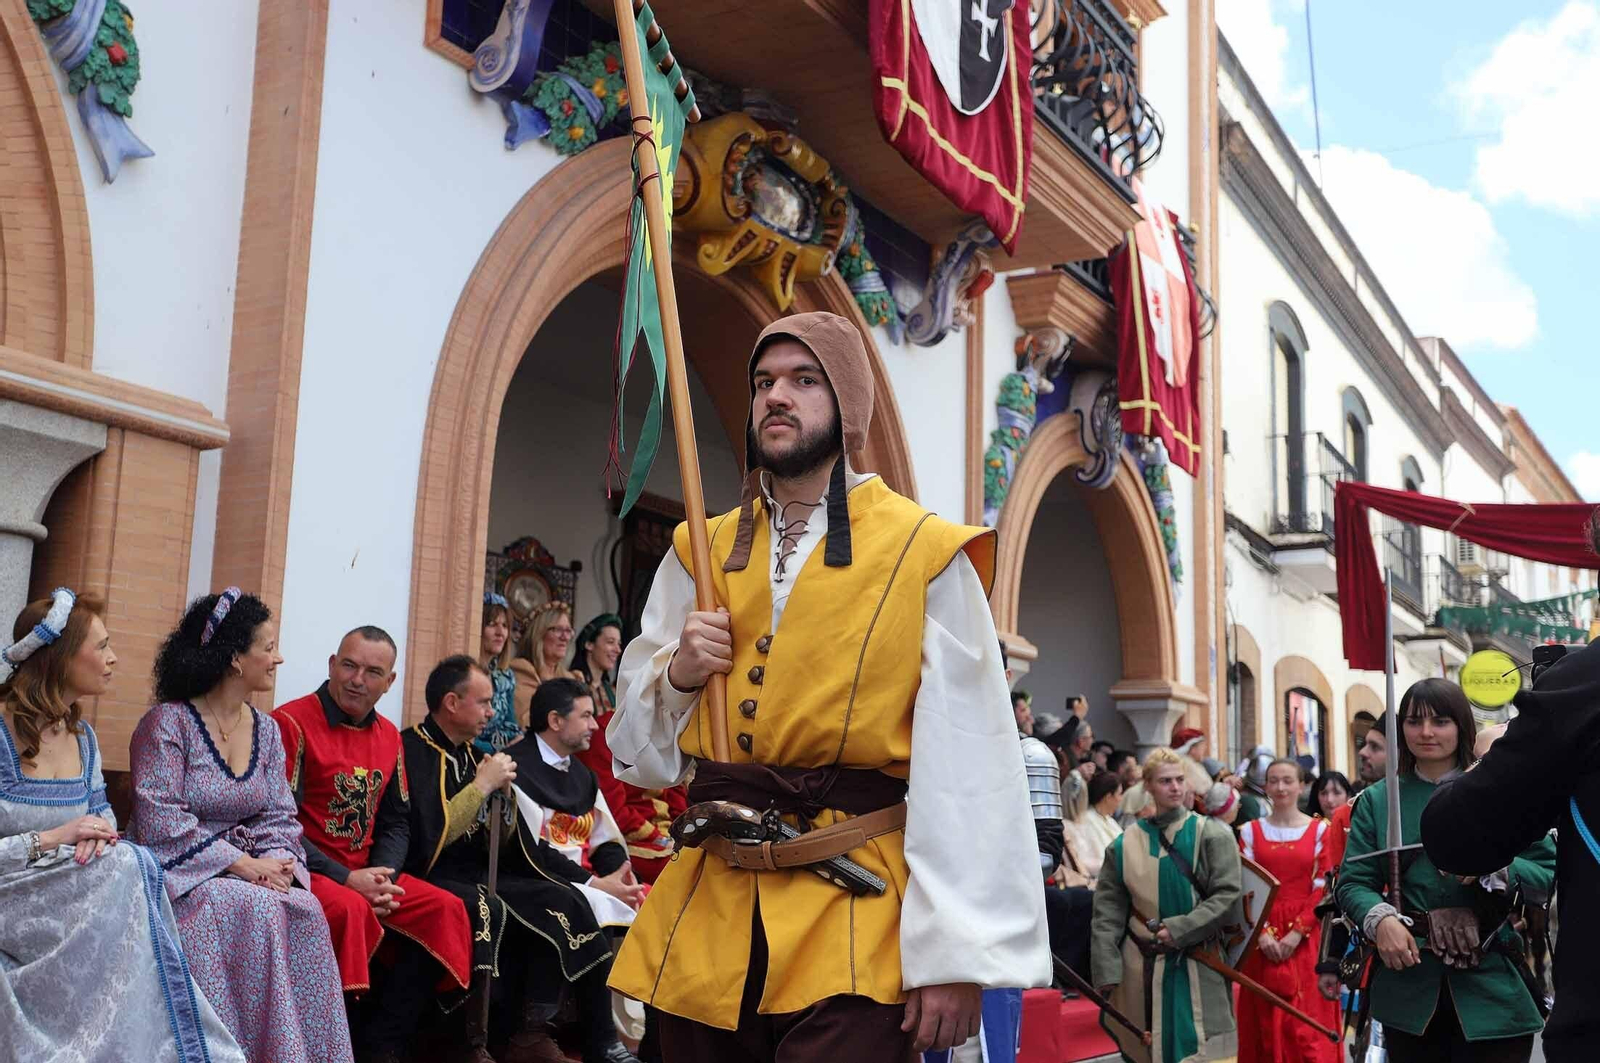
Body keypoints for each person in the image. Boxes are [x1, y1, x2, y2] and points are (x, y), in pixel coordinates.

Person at [605, 310, 1049, 1060]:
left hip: (855, 906)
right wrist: (678, 673)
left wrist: (957, 956)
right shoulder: (699, 551)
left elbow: (970, 764)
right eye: (764, 383)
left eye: (804, 380)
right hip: (712, 906)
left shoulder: (926, 552)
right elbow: (636, 758)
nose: (777, 396)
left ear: (846, 403)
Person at [1, 589, 245, 1063]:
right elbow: (73, 831)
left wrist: (95, 838)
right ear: (61, 657)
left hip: (67, 888)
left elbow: (103, 824)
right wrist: (54, 837)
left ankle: (129, 1045)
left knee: (130, 862)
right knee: (130, 867)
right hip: (12, 893)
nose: (113, 658)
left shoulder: (84, 739)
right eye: (102, 646)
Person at [131, 589, 352, 1062]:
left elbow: (277, 814)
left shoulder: (267, 729)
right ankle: (228, 1052)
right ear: (235, 658)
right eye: (268, 647)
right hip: (183, 872)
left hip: (251, 866)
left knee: (302, 908)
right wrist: (238, 864)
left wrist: (281, 864)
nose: (278, 658)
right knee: (248, 907)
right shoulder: (167, 724)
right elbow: (159, 818)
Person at [402, 655, 640, 1063]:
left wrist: (607, 873)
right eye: (484, 703)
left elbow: (529, 840)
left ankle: (570, 1034)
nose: (494, 712)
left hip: (497, 868)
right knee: (518, 904)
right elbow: (431, 836)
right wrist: (484, 786)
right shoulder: (415, 749)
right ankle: (482, 1038)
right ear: (452, 703)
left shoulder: (477, 754)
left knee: (566, 898)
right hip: (442, 871)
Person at [273, 626, 474, 1062]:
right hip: (308, 871)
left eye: (372, 671)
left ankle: (387, 1043)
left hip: (368, 872)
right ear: (331, 665)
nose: (357, 679)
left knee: (446, 909)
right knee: (351, 908)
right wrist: (348, 878)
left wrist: (381, 875)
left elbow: (396, 821)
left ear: (390, 682)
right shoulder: (290, 723)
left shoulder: (388, 735)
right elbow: (279, 824)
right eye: (349, 665)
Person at [1336, 679, 1553, 1063]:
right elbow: (1354, 882)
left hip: (1493, 982)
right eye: (1414, 721)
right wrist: (1382, 920)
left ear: (1460, 725)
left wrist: (1497, 866)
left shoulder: (1503, 792)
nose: (1426, 732)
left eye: (1440, 721)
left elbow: (1547, 871)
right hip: (1410, 986)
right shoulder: (1376, 800)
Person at [1419, 638, 1600, 1063]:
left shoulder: (1584, 683)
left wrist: (1499, 753)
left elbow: (1457, 837)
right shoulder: (1374, 799)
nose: (1426, 733)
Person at [1092, 748, 1242, 1062]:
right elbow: (1107, 912)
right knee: (1146, 1051)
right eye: (1165, 781)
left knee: (1201, 1050)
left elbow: (1227, 896)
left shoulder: (1212, 834)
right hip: (1141, 965)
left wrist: (1180, 928)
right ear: (1148, 786)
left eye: (1179, 780)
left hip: (1198, 959)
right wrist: (1107, 969)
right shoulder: (1123, 845)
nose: (1174, 787)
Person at [502, 677, 645, 918]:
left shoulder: (583, 775)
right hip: (542, 882)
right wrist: (593, 884)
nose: (595, 726)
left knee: (648, 900)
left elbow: (605, 840)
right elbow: (531, 849)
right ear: (556, 721)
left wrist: (620, 877)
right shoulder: (513, 770)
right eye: (586, 716)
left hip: (589, 882)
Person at [1236, 759, 1338, 1063]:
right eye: (1273, 781)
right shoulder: (1250, 832)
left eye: (1287, 781)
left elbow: (1323, 887)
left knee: (1307, 1026)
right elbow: (1246, 886)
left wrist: (1297, 933)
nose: (1280, 787)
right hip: (1260, 935)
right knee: (1264, 1022)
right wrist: (1264, 934)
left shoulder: (1320, 830)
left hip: (1307, 938)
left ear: (1301, 785)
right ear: (1265, 786)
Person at [570, 612, 683, 884]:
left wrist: (682, 834)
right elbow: (613, 810)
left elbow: (676, 793)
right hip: (633, 840)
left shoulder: (665, 729)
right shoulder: (605, 732)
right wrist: (658, 837)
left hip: (665, 836)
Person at [509, 600, 580, 726]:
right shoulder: (520, 672)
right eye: (557, 630)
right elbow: (528, 722)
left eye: (568, 631)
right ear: (539, 634)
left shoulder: (571, 679)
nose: (564, 637)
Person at [476, 591, 522, 753]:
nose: (500, 632)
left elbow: (511, 724)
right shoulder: (465, 674)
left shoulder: (505, 676)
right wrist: (497, 749)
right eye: (492, 624)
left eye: (504, 626)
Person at [1070, 769, 1124, 885]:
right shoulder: (1085, 821)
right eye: (1120, 794)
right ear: (1108, 797)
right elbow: (1083, 861)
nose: (1121, 799)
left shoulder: (1110, 821)